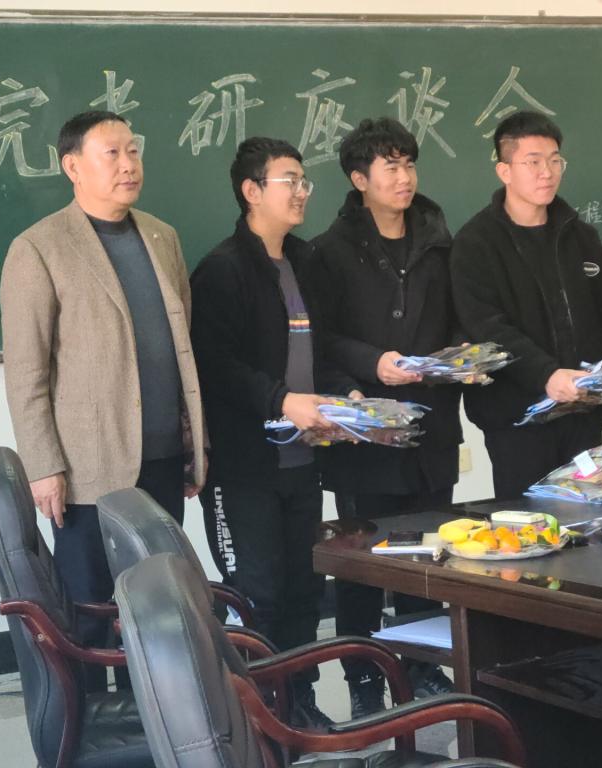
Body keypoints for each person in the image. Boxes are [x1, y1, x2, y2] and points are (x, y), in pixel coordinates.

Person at [0, 110, 206, 690]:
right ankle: (93, 723)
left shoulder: (162, 237)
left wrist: (192, 442)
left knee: (161, 606)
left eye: (133, 151)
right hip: (88, 467)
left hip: (162, 456)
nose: (128, 164)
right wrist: (44, 466)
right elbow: (26, 373)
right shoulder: (39, 248)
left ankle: (157, 718)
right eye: (111, 154)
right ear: (73, 167)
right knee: (90, 610)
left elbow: (181, 346)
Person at [307, 117, 461, 717]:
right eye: (390, 167)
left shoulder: (440, 242)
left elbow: (459, 321)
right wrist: (373, 363)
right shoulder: (328, 252)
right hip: (365, 429)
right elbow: (320, 339)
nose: (404, 177)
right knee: (363, 561)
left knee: (430, 552)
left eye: (409, 164)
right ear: (359, 179)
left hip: (432, 423)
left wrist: (458, 360)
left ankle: (423, 669)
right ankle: (364, 676)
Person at [190, 137, 337, 730]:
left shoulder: (305, 261)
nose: (301, 192)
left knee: (304, 591)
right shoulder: (222, 269)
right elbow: (215, 365)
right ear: (251, 191)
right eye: (288, 181)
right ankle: (257, 718)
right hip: (243, 468)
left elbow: (318, 351)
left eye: (304, 181)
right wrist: (281, 401)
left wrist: (342, 399)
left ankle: (299, 702)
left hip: (303, 463)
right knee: (258, 597)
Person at [451, 110, 602, 500]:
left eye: (554, 161)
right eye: (533, 162)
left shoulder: (580, 235)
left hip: (584, 412)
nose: (547, 173)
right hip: (518, 421)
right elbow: (486, 326)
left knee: (590, 521)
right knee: (531, 526)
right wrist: (546, 374)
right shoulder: (476, 243)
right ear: (504, 171)